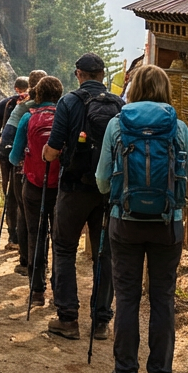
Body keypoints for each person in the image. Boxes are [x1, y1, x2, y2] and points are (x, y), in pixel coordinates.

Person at [96, 64, 188, 373]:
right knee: (162, 298)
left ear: (135, 89)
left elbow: (102, 182)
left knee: (127, 298)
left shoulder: (117, 124)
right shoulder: (177, 127)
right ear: (165, 89)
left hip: (124, 222)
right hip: (167, 225)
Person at [41, 53, 121, 341]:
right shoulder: (119, 105)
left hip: (74, 188)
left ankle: (68, 318)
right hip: (107, 191)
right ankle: (101, 321)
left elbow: (53, 148)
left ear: (78, 74)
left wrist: (45, 155)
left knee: (64, 248)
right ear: (103, 75)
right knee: (104, 254)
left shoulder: (68, 102)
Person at [10, 76, 63, 307]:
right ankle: (59, 292)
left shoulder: (28, 117)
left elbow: (14, 156)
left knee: (36, 235)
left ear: (38, 94)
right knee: (60, 240)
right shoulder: (65, 117)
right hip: (60, 187)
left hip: (33, 185)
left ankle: (37, 291)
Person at [0, 77, 30, 250]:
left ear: (16, 88)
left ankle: (12, 236)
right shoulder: (33, 104)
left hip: (7, 155)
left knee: (10, 195)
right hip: (27, 156)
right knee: (25, 195)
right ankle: (26, 237)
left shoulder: (5, 104)